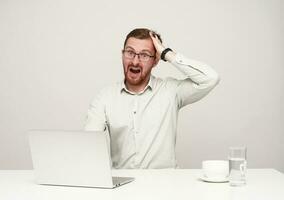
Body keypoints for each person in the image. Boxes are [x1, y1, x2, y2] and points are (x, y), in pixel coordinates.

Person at [84, 28, 220, 169]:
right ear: (122, 55)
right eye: (130, 53)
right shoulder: (105, 97)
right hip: (124, 187)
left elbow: (210, 78)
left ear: (155, 60)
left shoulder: (171, 91)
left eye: (144, 55)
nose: (135, 61)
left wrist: (166, 53)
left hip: (165, 186)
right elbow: (88, 144)